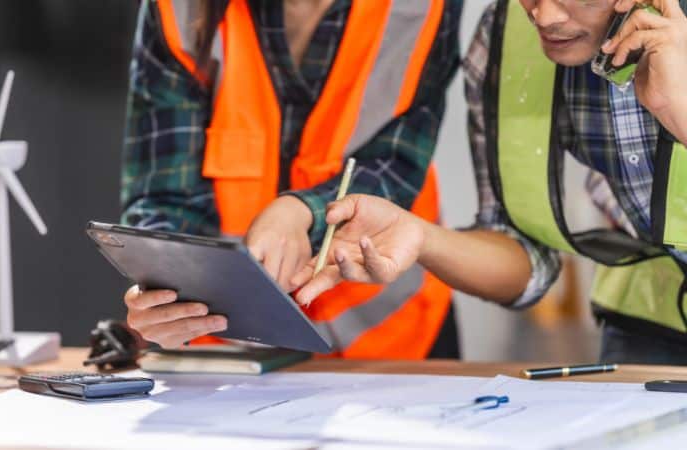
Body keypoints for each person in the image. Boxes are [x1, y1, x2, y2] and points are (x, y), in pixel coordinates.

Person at [294, 0, 687, 365]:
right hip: (654, 322)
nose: (544, 16)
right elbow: (521, 253)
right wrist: (421, 238)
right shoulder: (503, 38)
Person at [119, 0, 463, 359]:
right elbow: (164, 194)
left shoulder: (425, 7)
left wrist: (304, 212)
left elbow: (395, 165)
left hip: (389, 338)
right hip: (231, 349)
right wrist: (164, 286)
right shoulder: (179, 9)